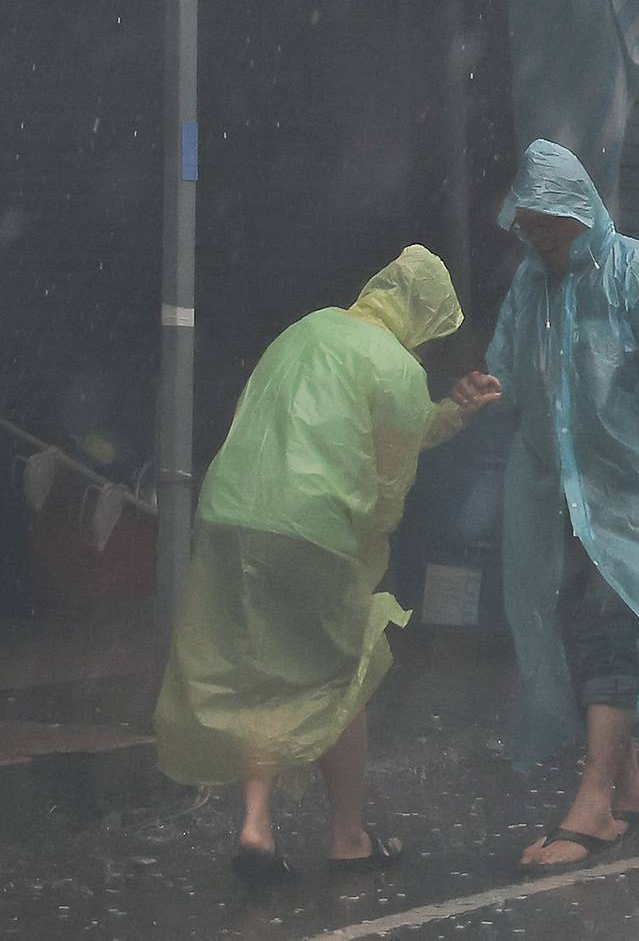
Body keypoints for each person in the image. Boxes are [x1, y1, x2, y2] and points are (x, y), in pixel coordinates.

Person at [153, 246, 501, 884]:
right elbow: (389, 475)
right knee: (346, 674)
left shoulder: (306, 328)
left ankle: (256, 826)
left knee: (260, 663)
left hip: (232, 514)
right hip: (313, 528)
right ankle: (348, 837)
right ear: (423, 319)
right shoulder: (395, 364)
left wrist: (450, 412)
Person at [485, 139, 639, 869]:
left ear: (581, 208)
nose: (541, 240)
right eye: (529, 228)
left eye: (550, 225)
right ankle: (632, 788)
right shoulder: (532, 286)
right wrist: (479, 392)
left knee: (610, 624)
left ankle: (593, 804)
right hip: (559, 491)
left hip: (637, 490)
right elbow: (510, 373)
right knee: (574, 623)